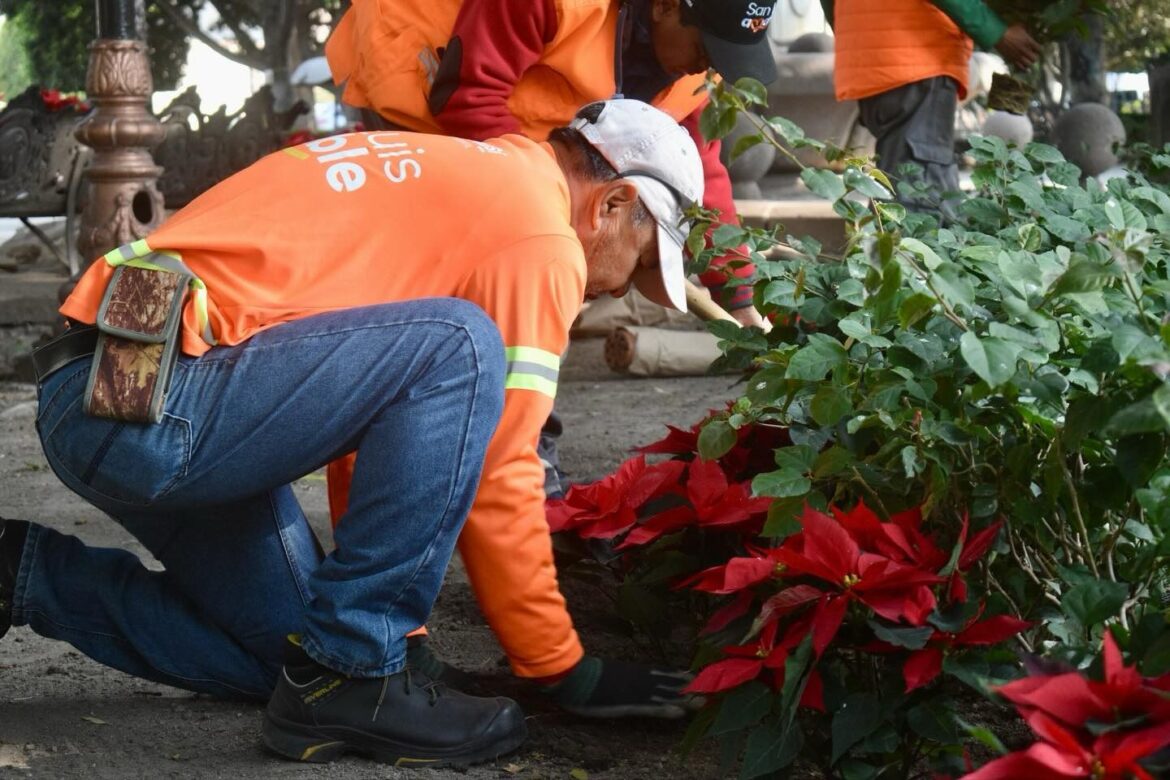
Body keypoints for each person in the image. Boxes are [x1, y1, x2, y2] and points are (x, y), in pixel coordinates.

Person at [0, 97, 703, 764]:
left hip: (116, 385)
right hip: (151, 395)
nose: (619, 290)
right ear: (613, 204)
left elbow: (375, 435)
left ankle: (18, 573)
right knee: (462, 346)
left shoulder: (472, 179)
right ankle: (357, 674)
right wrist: (560, 667)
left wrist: (402, 640)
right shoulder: (540, 236)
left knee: (297, 661)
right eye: (640, 263)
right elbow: (502, 469)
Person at [322, 0, 775, 712]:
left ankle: (403, 606)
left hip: (547, 169)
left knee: (494, 387)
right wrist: (558, 669)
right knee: (419, 377)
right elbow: (468, 97)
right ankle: (373, 633)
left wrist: (744, 297)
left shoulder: (688, 61)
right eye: (707, 41)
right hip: (436, 110)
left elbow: (700, 174)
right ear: (664, 6)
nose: (713, 64)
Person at [821, 0, 1041, 211]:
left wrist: (859, 40)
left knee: (908, 183)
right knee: (919, 195)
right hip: (915, 59)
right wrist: (996, 31)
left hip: (870, 63)